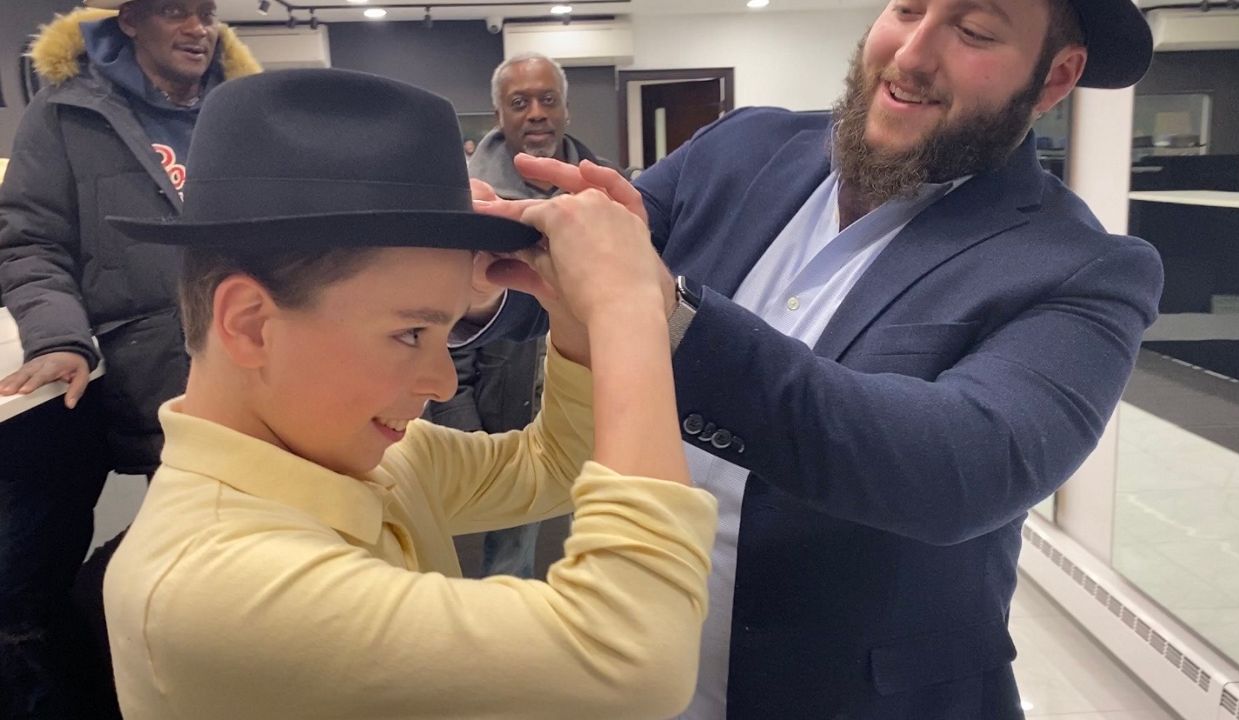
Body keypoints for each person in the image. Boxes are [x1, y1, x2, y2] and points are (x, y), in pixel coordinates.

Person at [476, 0, 1165, 716]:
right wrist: (468, 275)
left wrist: (670, 317)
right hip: (638, 677)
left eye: (974, 31)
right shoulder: (742, 147)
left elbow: (961, 467)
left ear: (1056, 77)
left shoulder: (1082, 268)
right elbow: (576, 264)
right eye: (908, 8)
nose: (911, 54)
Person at [101, 68, 716, 720]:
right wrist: (627, 310)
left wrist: (573, 313)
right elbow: (635, 660)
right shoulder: (213, 588)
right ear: (251, 324)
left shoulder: (362, 457)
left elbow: (553, 466)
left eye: (446, 329)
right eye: (410, 333)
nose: (443, 381)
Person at [0, 1, 257, 716]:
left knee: (227, 576)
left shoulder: (243, 114)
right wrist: (58, 336)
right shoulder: (66, 113)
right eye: (175, 12)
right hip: (120, 380)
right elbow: (30, 241)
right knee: (54, 584)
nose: (197, 28)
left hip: (242, 378)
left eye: (205, 12)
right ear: (130, 22)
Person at [428, 52, 620, 579]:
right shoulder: (466, 204)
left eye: (547, 100)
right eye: (520, 102)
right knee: (507, 558)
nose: (536, 113)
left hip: (589, 411)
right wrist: (463, 427)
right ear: (498, 115)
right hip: (502, 422)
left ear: (566, 110)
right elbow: (444, 327)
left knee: (601, 543)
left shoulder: (605, 192)